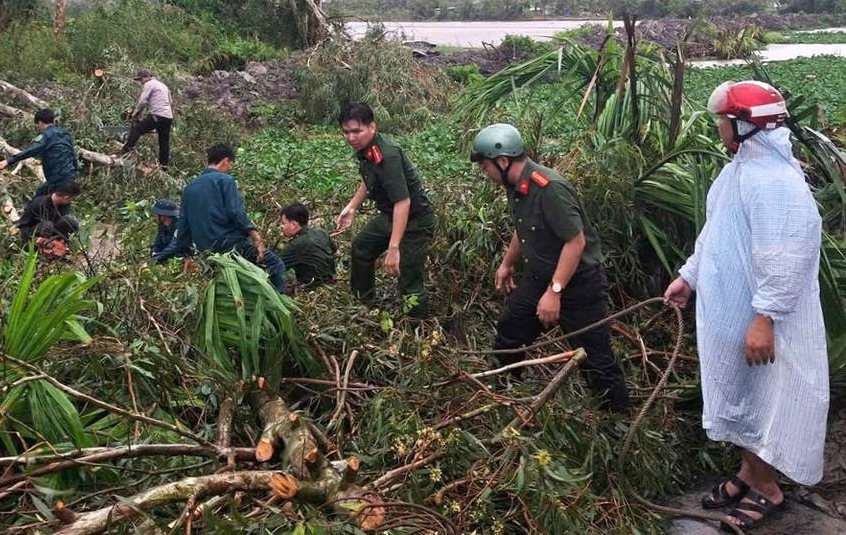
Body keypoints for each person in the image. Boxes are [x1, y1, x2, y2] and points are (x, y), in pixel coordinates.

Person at [663, 80, 827, 532]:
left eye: (722, 121)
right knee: (740, 396)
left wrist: (764, 318)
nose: (719, 129)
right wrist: (689, 276)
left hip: (760, 320)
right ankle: (748, 474)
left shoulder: (776, 182)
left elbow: (786, 257)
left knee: (764, 399)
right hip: (731, 313)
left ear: (743, 125)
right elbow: (716, 235)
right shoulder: (737, 171)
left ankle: (769, 489)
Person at [470, 123, 629, 411]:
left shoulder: (550, 188)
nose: (486, 174)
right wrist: (507, 264)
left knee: (596, 361)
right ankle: (503, 396)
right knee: (511, 331)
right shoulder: (516, 185)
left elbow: (575, 242)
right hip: (539, 277)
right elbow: (524, 228)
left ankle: (618, 421)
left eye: (486, 168)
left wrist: (554, 292)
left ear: (503, 161)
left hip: (579, 285)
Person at [335, 102, 436, 319]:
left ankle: (418, 330)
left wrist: (393, 248)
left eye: (356, 131)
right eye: (346, 132)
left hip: (415, 222)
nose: (351, 137)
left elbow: (403, 203)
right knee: (361, 248)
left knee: (409, 280)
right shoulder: (366, 150)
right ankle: (364, 304)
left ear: (372, 127)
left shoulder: (387, 156)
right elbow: (370, 180)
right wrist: (352, 206)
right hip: (391, 216)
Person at [174, 144, 286, 292]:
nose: (230, 168)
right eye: (231, 164)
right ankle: (279, 303)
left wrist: (186, 256)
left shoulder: (189, 188)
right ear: (225, 161)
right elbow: (236, 213)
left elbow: (183, 225)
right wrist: (256, 237)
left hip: (206, 250)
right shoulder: (225, 180)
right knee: (274, 263)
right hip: (230, 244)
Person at [0, 109, 79, 197]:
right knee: (57, 201)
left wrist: (8, 161)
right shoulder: (65, 134)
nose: (39, 128)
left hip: (57, 179)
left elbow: (31, 151)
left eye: (38, 125)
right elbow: (72, 154)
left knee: (40, 202)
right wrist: (75, 172)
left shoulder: (46, 135)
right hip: (69, 176)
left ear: (40, 123)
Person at [116, 69, 174, 168]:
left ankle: (124, 151)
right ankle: (164, 166)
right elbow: (170, 102)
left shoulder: (149, 84)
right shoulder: (163, 85)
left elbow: (143, 101)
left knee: (136, 130)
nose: (141, 82)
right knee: (164, 141)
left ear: (146, 77)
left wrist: (135, 113)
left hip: (157, 115)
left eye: (141, 79)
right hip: (168, 117)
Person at [278, 202, 339, 286]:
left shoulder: (297, 244)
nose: (282, 227)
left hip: (311, 288)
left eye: (283, 223)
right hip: (331, 284)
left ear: (293, 224)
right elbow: (337, 254)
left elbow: (275, 266)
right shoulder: (321, 232)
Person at [16, 181, 82, 244]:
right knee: (47, 225)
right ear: (66, 198)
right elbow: (22, 225)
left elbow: (71, 225)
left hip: (55, 234)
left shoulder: (64, 206)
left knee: (68, 220)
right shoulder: (38, 203)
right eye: (71, 199)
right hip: (36, 235)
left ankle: (61, 244)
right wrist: (33, 239)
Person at [149, 197, 182, 264]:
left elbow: (174, 247)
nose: (154, 216)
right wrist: (154, 251)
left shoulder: (180, 225)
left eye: (156, 214)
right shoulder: (162, 225)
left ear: (163, 216)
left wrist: (152, 261)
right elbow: (158, 243)